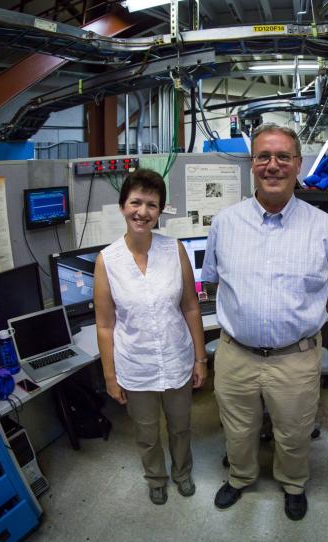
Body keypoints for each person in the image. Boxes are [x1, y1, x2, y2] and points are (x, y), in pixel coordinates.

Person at [201, 124, 328, 520]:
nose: (273, 165)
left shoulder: (324, 228)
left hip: (295, 358)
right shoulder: (225, 224)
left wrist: (302, 319)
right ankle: (240, 477)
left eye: (283, 157)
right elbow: (213, 283)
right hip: (236, 356)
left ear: (298, 164)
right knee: (237, 428)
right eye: (263, 156)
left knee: (294, 432)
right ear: (252, 164)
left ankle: (293, 484)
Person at [93, 168, 207, 505]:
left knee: (181, 427)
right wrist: (110, 376)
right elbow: (105, 324)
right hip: (136, 365)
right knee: (146, 433)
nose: (142, 212)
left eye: (152, 205)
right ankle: (156, 478)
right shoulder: (107, 261)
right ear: (122, 206)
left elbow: (190, 308)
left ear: (160, 211)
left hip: (177, 360)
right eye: (136, 202)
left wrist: (200, 358)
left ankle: (182, 473)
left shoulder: (175, 251)